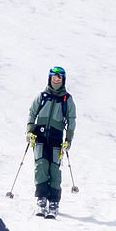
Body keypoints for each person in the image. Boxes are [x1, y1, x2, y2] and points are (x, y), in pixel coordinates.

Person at [26, 66, 77, 217]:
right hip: (39, 135)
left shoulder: (67, 99)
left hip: (56, 137)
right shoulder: (42, 96)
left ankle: (54, 201)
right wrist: (29, 131)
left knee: (54, 169)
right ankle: (41, 198)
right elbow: (32, 112)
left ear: (63, 80)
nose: (56, 79)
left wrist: (68, 139)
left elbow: (72, 120)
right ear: (50, 78)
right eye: (54, 77)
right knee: (41, 165)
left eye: (59, 77)